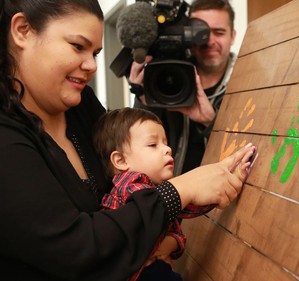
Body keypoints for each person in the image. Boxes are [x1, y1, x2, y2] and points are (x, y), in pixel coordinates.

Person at [0, 1, 256, 280]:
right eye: (77, 46)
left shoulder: (79, 103)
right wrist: (179, 190)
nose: (90, 66)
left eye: (95, 53)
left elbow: (134, 170)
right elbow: (75, 250)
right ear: (22, 30)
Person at [94, 107, 235, 281]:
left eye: (165, 142)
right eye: (153, 145)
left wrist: (168, 245)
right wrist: (216, 190)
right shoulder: (131, 186)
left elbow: (178, 231)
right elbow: (186, 205)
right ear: (121, 161)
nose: (167, 149)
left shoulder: (155, 190)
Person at [129, 0, 237, 175]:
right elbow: (140, 150)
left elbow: (252, 151)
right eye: (200, 33)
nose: (209, 41)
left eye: (219, 32)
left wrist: (211, 122)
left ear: (233, 35)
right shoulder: (165, 74)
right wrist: (143, 98)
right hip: (174, 195)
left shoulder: (250, 81)